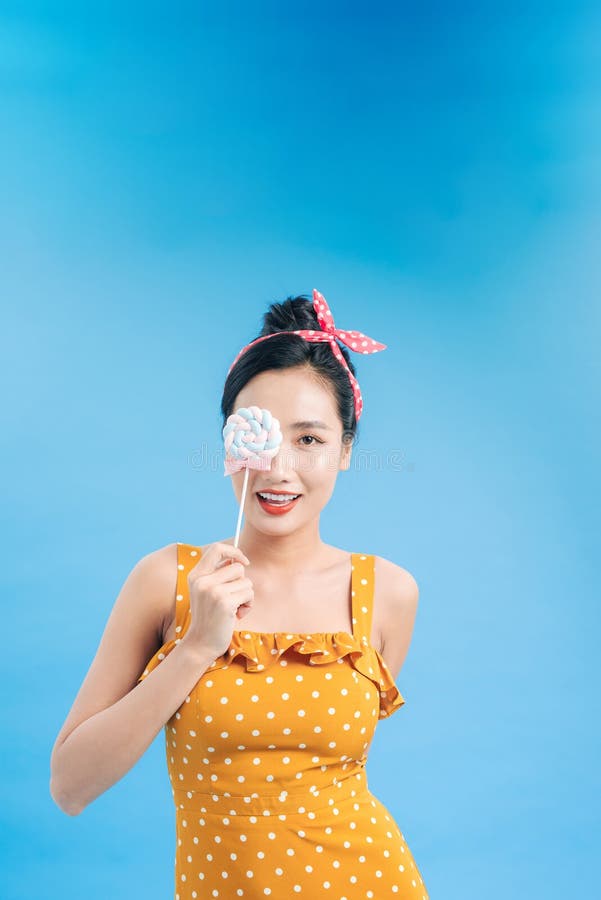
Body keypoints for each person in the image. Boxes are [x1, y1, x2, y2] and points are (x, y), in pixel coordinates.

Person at [50, 289, 429, 898]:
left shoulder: (388, 593)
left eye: (309, 440)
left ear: (346, 451)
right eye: (260, 435)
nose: (278, 468)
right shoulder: (165, 581)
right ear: (229, 441)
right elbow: (70, 787)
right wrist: (196, 646)